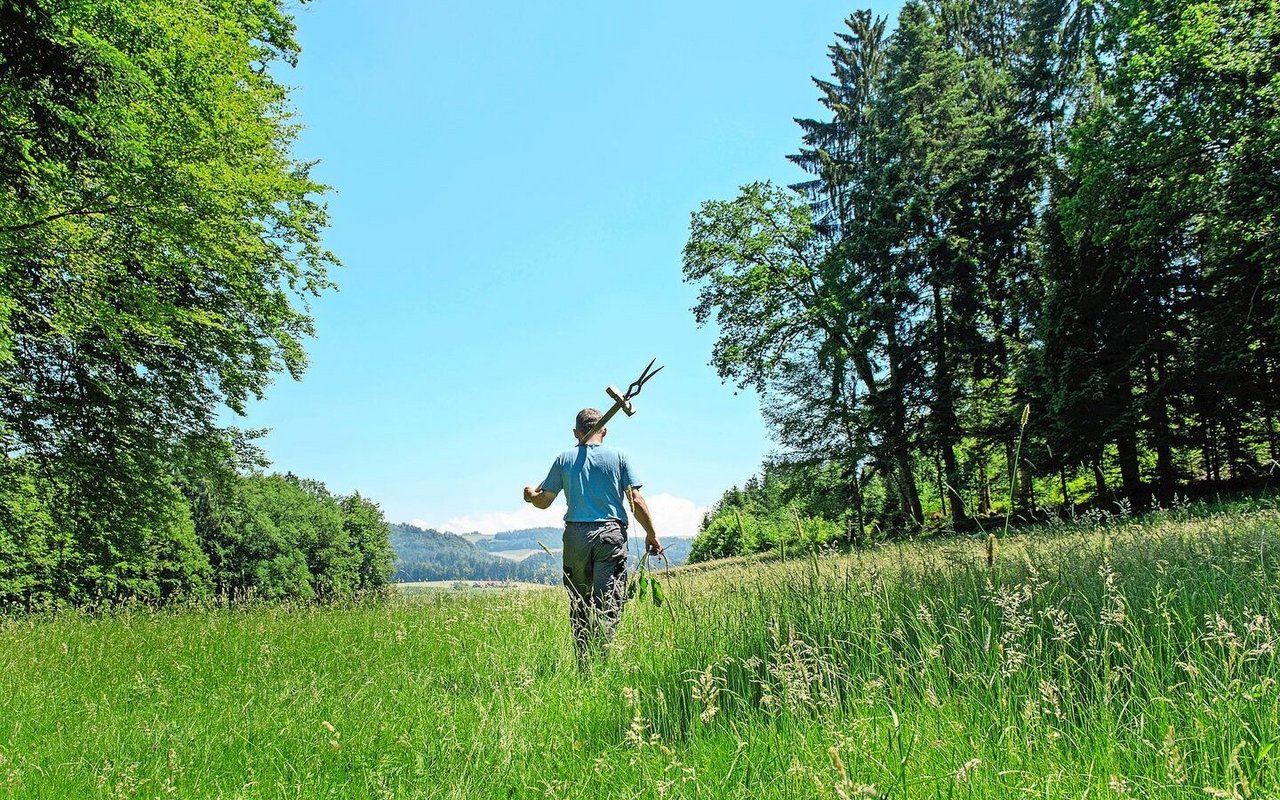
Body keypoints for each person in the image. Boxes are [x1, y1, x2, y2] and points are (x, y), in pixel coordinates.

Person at [523, 407, 662, 661]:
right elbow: (636, 500)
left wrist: (530, 495)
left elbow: (544, 502)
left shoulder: (564, 459)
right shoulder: (619, 457)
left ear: (576, 433)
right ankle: (604, 659)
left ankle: (584, 662)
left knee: (580, 602)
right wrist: (651, 533)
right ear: (604, 430)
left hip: (576, 537)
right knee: (608, 601)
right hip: (610, 536)